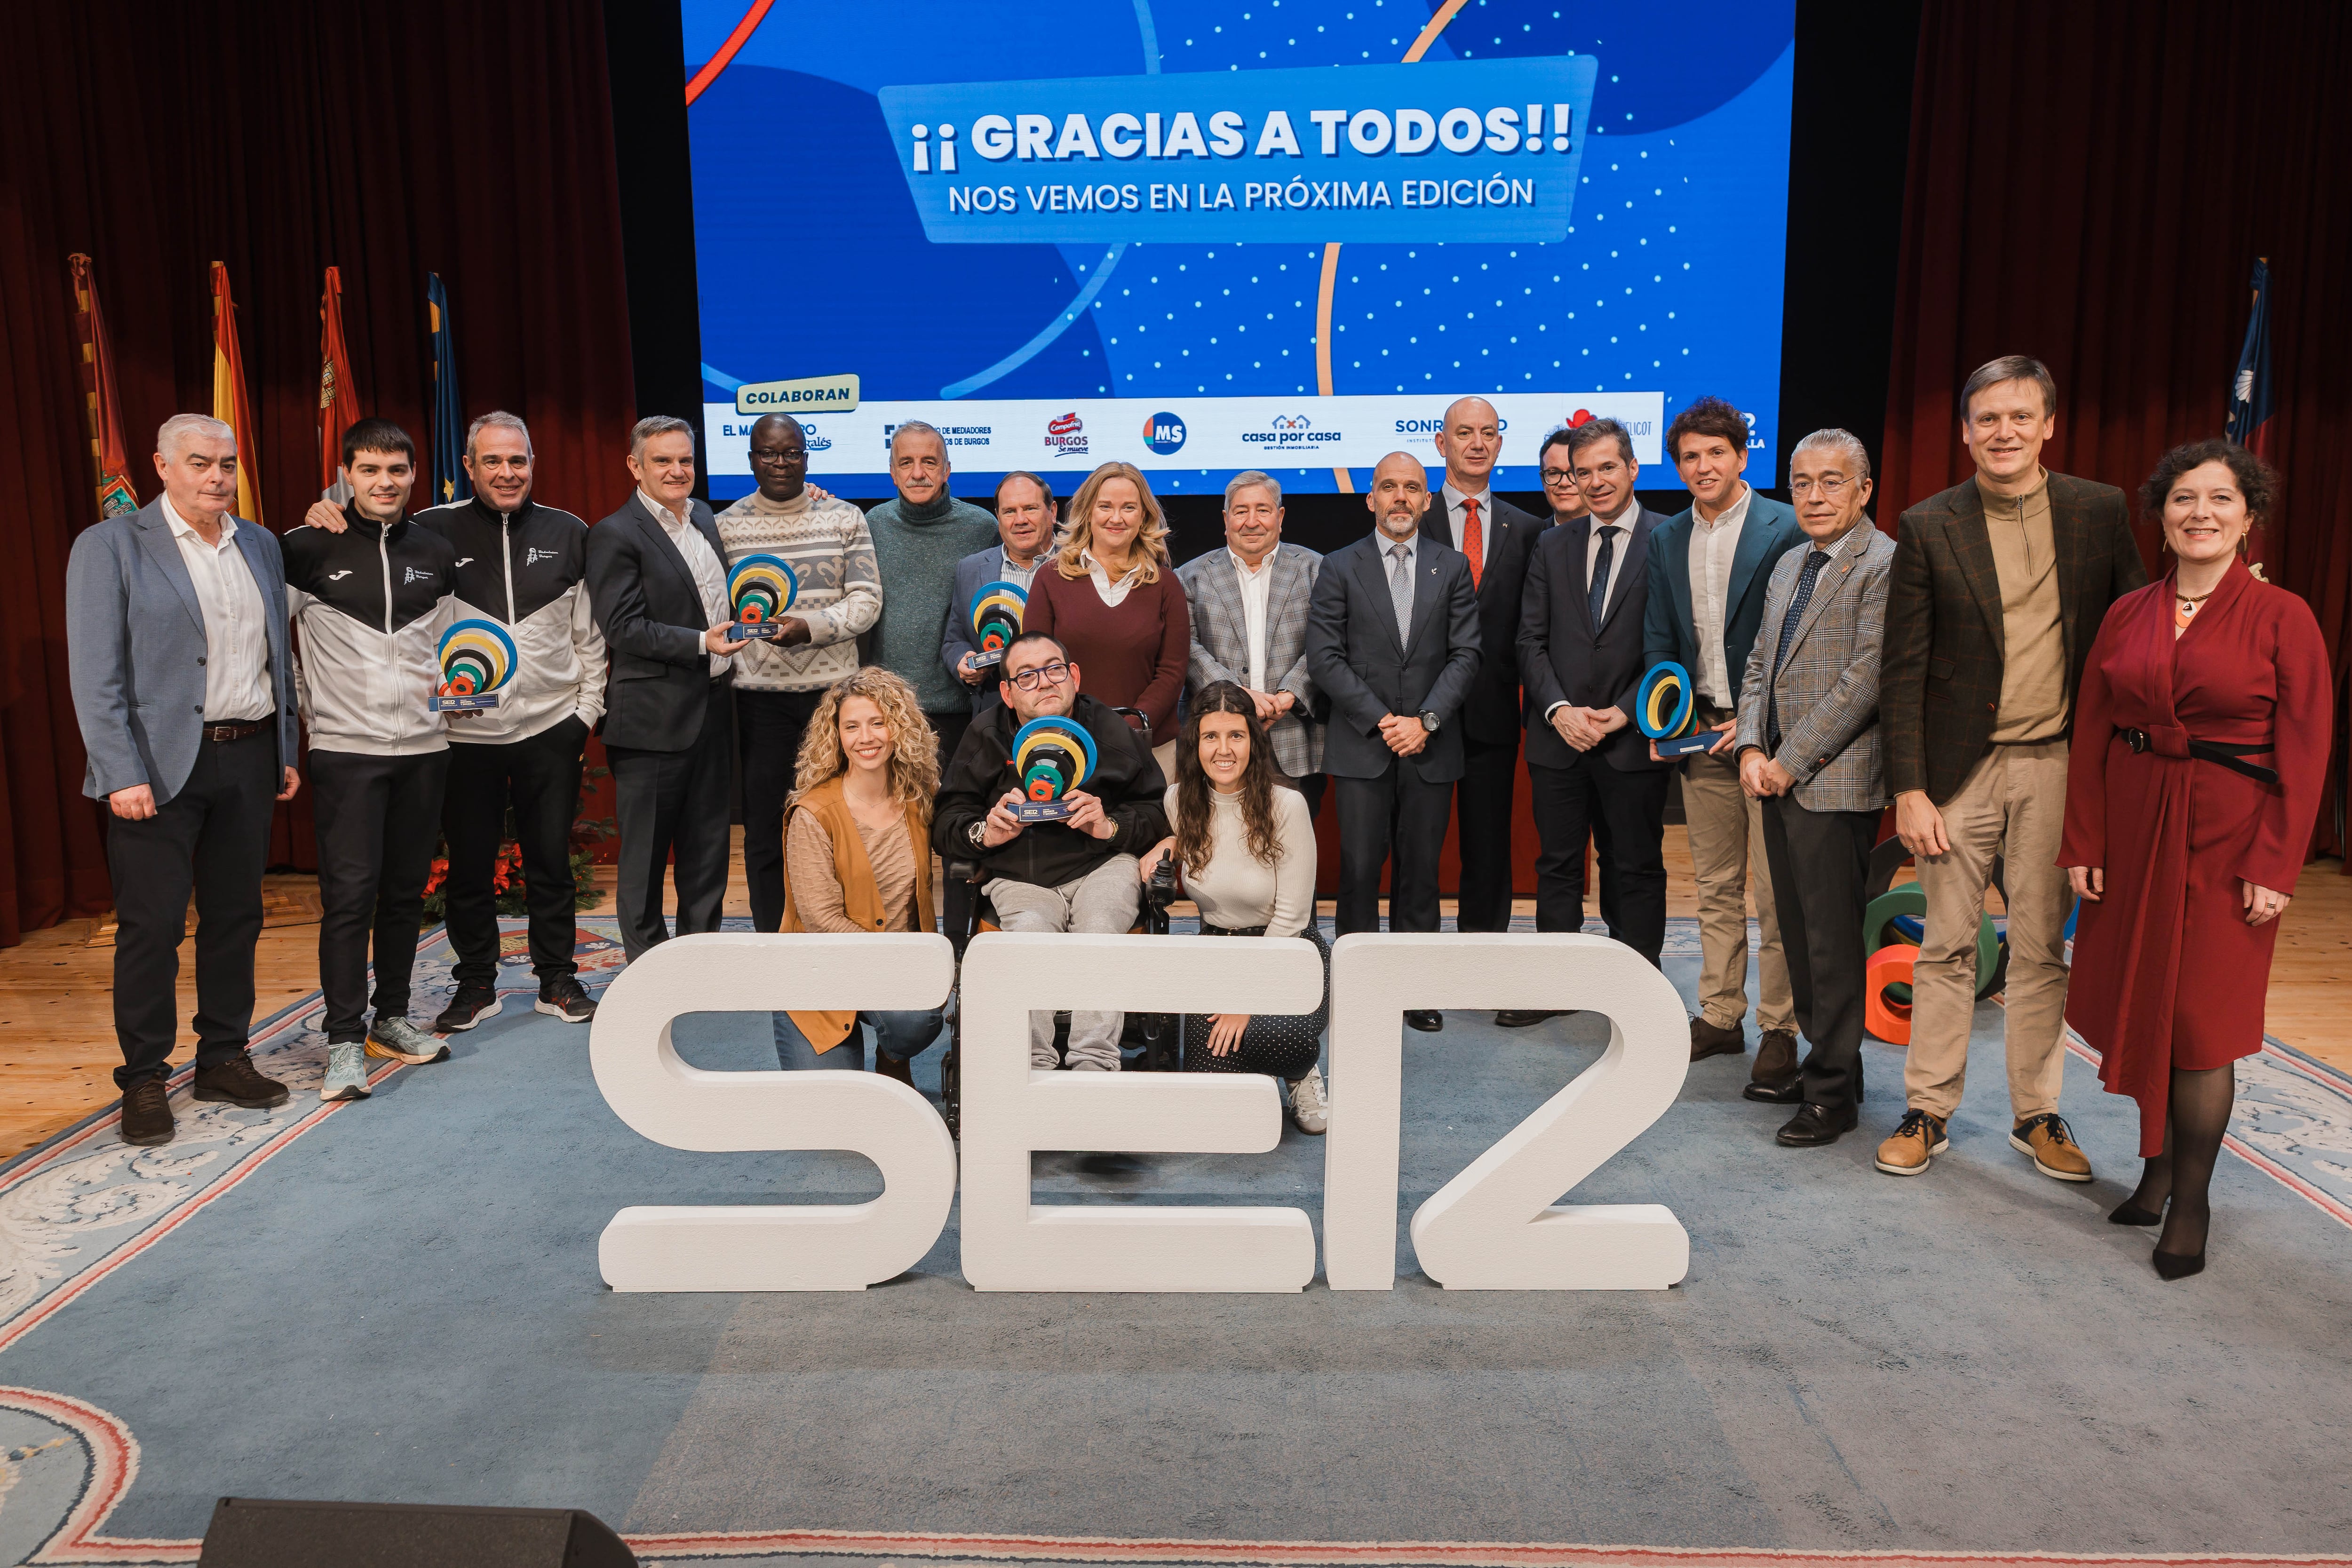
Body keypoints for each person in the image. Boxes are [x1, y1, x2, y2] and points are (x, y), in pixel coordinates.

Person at [2060, 440, 2328, 1280]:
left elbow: (2308, 744)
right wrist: (2085, 840)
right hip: (2137, 825)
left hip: (2230, 834)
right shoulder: (2129, 611)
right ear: (2162, 514)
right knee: (2145, 999)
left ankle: (2194, 1198)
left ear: (2249, 517)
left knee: (2203, 1023)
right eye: (2184, 499)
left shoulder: (2285, 616)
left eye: (2220, 499)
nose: (2200, 513)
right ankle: (2157, 1166)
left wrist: (2277, 863)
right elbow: (2093, 732)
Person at [1877, 355, 2148, 1182]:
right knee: (1946, 947)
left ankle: (2038, 1113)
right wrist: (1910, 786)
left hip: (2063, 766)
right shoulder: (1929, 524)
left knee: (2039, 950)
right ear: (1965, 430)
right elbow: (1903, 669)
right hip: (1958, 771)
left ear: (2048, 425)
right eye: (1987, 419)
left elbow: (2134, 627)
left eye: (2020, 417)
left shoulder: (2098, 512)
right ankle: (1928, 1108)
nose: (2004, 432)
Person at [302, 411, 606, 1031]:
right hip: (463, 736)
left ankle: (557, 978)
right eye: (491, 460)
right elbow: (371, 531)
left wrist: (585, 714)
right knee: (469, 865)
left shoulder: (570, 531)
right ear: (467, 467)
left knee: (550, 859)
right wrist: (325, 508)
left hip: (551, 727)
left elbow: (590, 635)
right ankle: (475, 984)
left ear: (532, 464)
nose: (506, 472)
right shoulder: (433, 532)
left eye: (517, 460)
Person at [66, 414, 302, 1146]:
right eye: (201, 463)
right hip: (156, 768)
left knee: (236, 917)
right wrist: (118, 771)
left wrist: (284, 747)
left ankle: (223, 1056)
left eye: (228, 464)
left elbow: (275, 655)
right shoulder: (110, 546)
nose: (217, 478)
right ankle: (143, 1078)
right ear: (162, 467)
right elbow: (96, 675)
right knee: (153, 927)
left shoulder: (259, 543)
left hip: (249, 755)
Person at [283, 418, 459, 1099]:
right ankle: (343, 1041)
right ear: (347, 475)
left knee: (405, 895)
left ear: (414, 475)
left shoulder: (436, 552)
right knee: (349, 899)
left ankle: (391, 1018)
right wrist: (310, 714)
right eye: (370, 471)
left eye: (397, 471)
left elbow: (446, 649)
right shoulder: (305, 547)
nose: (385, 483)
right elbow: (277, 644)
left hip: (424, 750)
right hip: (346, 753)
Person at [1733, 430, 1898, 1148]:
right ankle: (1833, 1064)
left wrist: (1788, 761)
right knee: (1797, 938)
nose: (1815, 495)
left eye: (1833, 482)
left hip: (1832, 781)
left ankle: (1832, 1097)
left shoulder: (1885, 563)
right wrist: (1746, 744)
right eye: (1802, 482)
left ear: (1864, 490)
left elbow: (1865, 679)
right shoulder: (1791, 563)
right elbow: (1760, 662)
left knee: (1830, 945)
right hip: (1773, 777)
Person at [1642, 396, 1804, 1076]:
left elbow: (1801, 636)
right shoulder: (1667, 537)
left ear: (1743, 456)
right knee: (1713, 886)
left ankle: (1780, 1026)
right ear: (1678, 466)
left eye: (1716, 452)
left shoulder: (1788, 527)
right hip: (1701, 737)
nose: (1703, 465)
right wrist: (1664, 719)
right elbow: (1660, 637)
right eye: (1690, 456)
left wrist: (1758, 724)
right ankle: (1719, 1014)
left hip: (1766, 741)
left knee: (1773, 895)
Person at [932, 632, 1171, 1071]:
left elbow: (1160, 813)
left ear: (1074, 676)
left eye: (1053, 669)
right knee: (1031, 938)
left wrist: (1110, 824)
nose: (1044, 682)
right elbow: (947, 824)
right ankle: (1032, 1068)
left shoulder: (1111, 730)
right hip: (1020, 875)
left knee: (1100, 929)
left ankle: (1094, 1066)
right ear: (1006, 691)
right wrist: (987, 832)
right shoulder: (985, 734)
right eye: (1026, 675)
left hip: (1103, 865)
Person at [1304, 451, 1480, 1032]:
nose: (1400, 497)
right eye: (1388, 487)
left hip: (1430, 745)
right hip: (1363, 746)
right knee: (1357, 871)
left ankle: (1414, 989)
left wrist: (1424, 720)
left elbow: (1465, 654)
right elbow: (1324, 658)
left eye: (1411, 488)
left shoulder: (1452, 567)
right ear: (1370, 499)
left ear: (1427, 501)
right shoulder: (1338, 566)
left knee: (1420, 874)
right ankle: (1358, 987)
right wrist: (1384, 720)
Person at [1515, 417, 1672, 982]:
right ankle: (1555, 984)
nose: (1596, 481)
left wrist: (1625, 710)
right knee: (1556, 866)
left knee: (1632, 866)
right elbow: (1528, 640)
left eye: (1607, 467)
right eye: (1583, 472)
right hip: (1557, 737)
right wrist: (1558, 710)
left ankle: (1637, 986)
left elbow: (1676, 645)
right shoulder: (1552, 544)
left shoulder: (1669, 538)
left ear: (1632, 468)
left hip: (1631, 735)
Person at [586, 415, 746, 962]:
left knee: (707, 851)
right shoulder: (614, 533)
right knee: (646, 860)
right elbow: (623, 628)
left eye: (685, 460)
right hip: (652, 721)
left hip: (713, 711)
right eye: (663, 461)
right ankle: (648, 971)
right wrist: (702, 643)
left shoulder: (702, 515)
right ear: (635, 466)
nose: (677, 470)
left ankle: (698, 962)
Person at [1139, 682, 1329, 1133]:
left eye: (1236, 736)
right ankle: (1257, 1066)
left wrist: (1246, 1000)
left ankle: (1301, 1072)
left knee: (1279, 1036)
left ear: (1253, 740)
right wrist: (1171, 842)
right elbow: (1202, 844)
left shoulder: (1288, 805)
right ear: (1196, 743)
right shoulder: (1180, 800)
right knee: (1216, 1101)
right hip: (1218, 952)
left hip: (1287, 953)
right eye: (1211, 737)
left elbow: (1293, 917)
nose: (1223, 750)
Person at [716, 414, 882, 933]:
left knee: (841, 823)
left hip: (833, 703)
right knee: (766, 829)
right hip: (757, 702)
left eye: (791, 453)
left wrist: (809, 627)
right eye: (768, 453)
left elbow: (867, 600)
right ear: (751, 460)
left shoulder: (844, 517)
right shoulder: (723, 527)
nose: (780, 463)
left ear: (806, 458)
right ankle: (773, 940)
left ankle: (844, 933)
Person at [773, 668, 948, 1084]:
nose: (866, 737)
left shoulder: (917, 800)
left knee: (918, 1022)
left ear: (898, 729)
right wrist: (899, 962)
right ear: (836, 735)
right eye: (852, 726)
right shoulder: (813, 813)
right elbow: (821, 920)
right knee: (836, 1110)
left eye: (878, 722)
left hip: (895, 973)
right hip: (822, 971)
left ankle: (892, 1054)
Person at [1415, 398, 1543, 939]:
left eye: (1487, 433)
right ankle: (1408, 967)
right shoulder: (1410, 520)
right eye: (1463, 433)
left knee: (1488, 851)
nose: (1476, 443)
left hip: (1492, 713)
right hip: (1418, 713)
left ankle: (1482, 963)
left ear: (1498, 443)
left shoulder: (1530, 529)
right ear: (1441, 444)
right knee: (1415, 850)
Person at [1022, 461, 1190, 768]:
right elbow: (1034, 667)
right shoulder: (1050, 578)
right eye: (1105, 506)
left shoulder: (1166, 584)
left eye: (1128, 507)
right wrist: (1077, 728)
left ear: (1143, 517)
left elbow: (1172, 672)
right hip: (1064, 744)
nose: (1116, 518)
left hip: (1147, 749)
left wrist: (1129, 727)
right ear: (1088, 512)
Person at [1176, 470, 1325, 813]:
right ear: (1226, 520)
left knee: (1292, 855)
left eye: (1263, 509)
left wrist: (1289, 694)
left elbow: (1328, 640)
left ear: (1281, 516)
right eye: (1241, 511)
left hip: (1293, 736)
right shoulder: (1189, 576)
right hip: (1216, 742)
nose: (1252, 521)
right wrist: (1238, 697)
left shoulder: (1317, 569)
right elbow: (1186, 647)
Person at [864, 421, 999, 772]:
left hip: (960, 706)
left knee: (950, 814)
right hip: (889, 706)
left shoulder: (982, 527)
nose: (918, 473)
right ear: (893, 472)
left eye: (930, 461)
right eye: (906, 462)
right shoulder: (873, 523)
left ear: (947, 469)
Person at [944, 470, 1057, 723]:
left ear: (1053, 511)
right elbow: (955, 639)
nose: (1020, 520)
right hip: (996, 715)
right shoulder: (970, 569)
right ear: (998, 517)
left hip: (1068, 709)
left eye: (1030, 509)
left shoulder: (1080, 562)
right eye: (1009, 511)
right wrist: (963, 662)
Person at [1538, 426, 1591, 528]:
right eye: (1554, 473)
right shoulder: (1531, 540)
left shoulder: (1615, 537)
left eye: (1573, 472)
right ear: (1543, 481)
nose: (1564, 483)